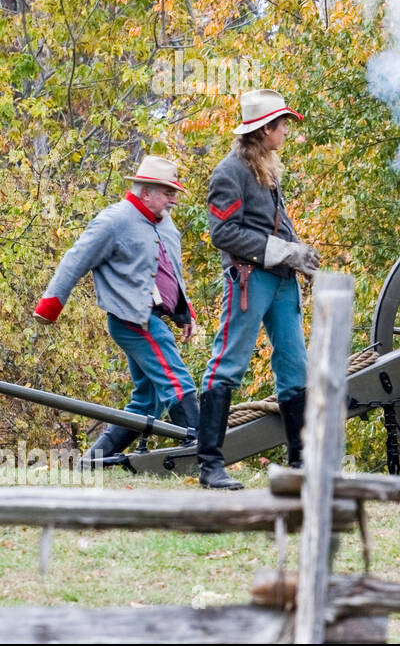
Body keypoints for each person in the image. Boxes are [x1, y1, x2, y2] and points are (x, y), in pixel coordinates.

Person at [33, 156, 198, 466]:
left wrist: (184, 310)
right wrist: (51, 304)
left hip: (153, 316)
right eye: (168, 192)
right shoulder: (114, 221)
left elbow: (169, 270)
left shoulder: (165, 221)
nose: (174, 199)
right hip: (132, 320)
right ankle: (200, 438)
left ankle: (91, 462)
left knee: (146, 401)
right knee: (175, 378)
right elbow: (75, 260)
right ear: (146, 192)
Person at [197, 89, 320, 490]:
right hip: (250, 279)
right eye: (282, 124)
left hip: (281, 280)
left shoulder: (265, 166)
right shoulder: (228, 172)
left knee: (295, 367)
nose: (286, 131)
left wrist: (300, 255)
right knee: (228, 364)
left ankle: (301, 463)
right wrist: (284, 251)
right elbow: (223, 233)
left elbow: (277, 222)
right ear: (265, 129)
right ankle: (210, 466)